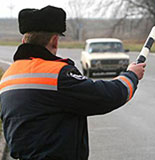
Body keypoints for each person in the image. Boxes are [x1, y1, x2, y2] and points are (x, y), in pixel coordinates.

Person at [0, 5, 146, 160]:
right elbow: (106, 96)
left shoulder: (8, 76)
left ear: (24, 40)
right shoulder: (57, 75)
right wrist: (132, 75)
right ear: (55, 41)